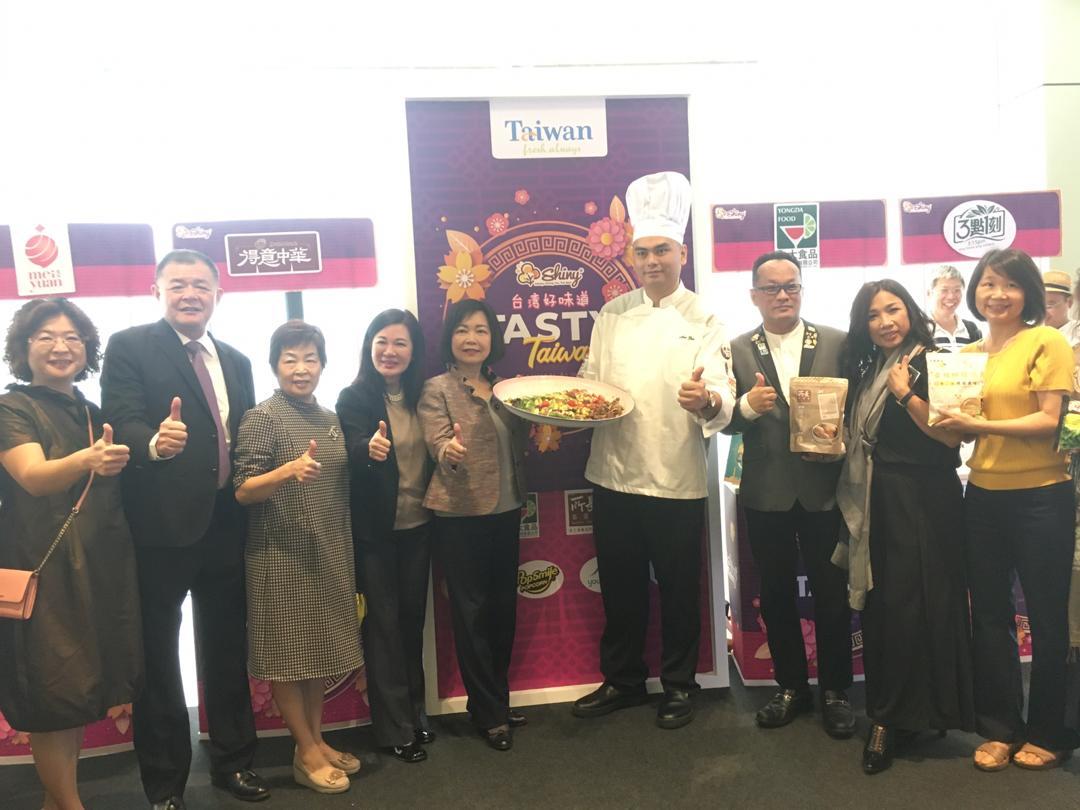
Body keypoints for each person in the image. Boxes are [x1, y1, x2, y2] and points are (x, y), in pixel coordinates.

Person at [101, 249, 265, 809]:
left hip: (226, 522)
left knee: (225, 650)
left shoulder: (238, 360)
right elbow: (120, 416)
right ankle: (165, 784)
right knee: (161, 661)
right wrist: (151, 442)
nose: (190, 293)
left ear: (219, 293)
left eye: (200, 284)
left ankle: (234, 763)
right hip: (160, 531)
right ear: (157, 291)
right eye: (178, 285)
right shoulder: (129, 347)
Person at [571, 171, 735, 730]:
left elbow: (723, 397)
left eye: (661, 250)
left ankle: (680, 683)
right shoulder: (611, 315)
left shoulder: (706, 320)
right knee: (620, 588)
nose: (651, 261)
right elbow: (592, 383)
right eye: (642, 252)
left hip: (676, 478)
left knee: (679, 592)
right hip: (613, 473)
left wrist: (705, 398)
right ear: (632, 257)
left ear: (681, 253)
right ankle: (622, 679)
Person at [934, 248, 1078, 772]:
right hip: (985, 495)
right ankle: (1000, 727)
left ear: (1029, 295)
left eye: (1011, 285)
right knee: (990, 616)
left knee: (1046, 618)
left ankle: (1049, 730)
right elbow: (953, 422)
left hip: (1043, 495)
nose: (998, 294)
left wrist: (979, 428)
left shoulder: (1047, 341)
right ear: (976, 289)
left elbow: (1048, 420)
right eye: (989, 284)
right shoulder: (967, 355)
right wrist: (911, 397)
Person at [0, 299, 142, 810]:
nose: (61, 346)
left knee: (78, 690)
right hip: (43, 566)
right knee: (52, 692)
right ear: (24, 348)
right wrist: (88, 458)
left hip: (96, 564)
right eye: (46, 336)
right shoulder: (11, 408)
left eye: (72, 338)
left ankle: (57, 800)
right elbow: (34, 478)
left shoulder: (91, 411)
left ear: (87, 350)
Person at [835, 280, 974, 774]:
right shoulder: (868, 364)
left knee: (926, 605)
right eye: (873, 315)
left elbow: (951, 436)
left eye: (892, 309)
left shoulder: (935, 360)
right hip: (883, 499)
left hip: (925, 499)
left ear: (910, 311)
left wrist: (908, 393)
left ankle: (908, 714)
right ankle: (890, 713)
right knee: (888, 610)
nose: (884, 321)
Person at [724, 251, 854, 739]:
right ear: (754, 294)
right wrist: (747, 406)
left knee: (832, 594)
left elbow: (857, 411)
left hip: (825, 491)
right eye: (772, 287)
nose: (783, 295)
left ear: (802, 290)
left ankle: (836, 690)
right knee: (774, 593)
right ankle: (791, 688)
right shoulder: (735, 348)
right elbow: (721, 421)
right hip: (766, 493)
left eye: (791, 286)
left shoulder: (838, 342)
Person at [233, 320, 362, 794]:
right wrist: (287, 470)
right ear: (274, 365)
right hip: (279, 555)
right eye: (290, 359)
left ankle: (316, 739)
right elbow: (243, 490)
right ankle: (304, 751)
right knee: (289, 656)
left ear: (323, 365)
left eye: (310, 359)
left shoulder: (329, 419)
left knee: (318, 652)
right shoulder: (262, 417)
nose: (301, 368)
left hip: (326, 551)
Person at [417, 299, 528, 751]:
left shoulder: (505, 389)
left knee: (503, 611)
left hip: (507, 510)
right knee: (471, 614)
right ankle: (488, 713)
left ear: (492, 339)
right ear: (450, 338)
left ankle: (492, 700)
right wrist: (450, 453)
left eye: (481, 330)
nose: (472, 338)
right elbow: (438, 441)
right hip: (461, 514)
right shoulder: (436, 389)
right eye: (463, 330)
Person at [336, 309, 434, 764]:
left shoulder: (424, 397)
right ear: (368, 345)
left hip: (419, 528)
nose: (389, 351)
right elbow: (354, 444)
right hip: (376, 533)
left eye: (400, 343)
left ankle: (416, 715)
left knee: (412, 623)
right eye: (381, 341)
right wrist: (368, 450)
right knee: (384, 627)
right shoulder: (354, 397)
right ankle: (394, 728)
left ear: (413, 351)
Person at [928, 264, 982, 351]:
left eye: (957, 290)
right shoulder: (921, 329)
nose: (951, 296)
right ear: (929, 293)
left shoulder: (971, 330)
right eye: (944, 290)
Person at [1042, 269, 1080, 347]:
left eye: (1050, 304)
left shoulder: (1077, 332)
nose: (1044, 311)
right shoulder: (1033, 332)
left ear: (1069, 302)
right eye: (1040, 304)